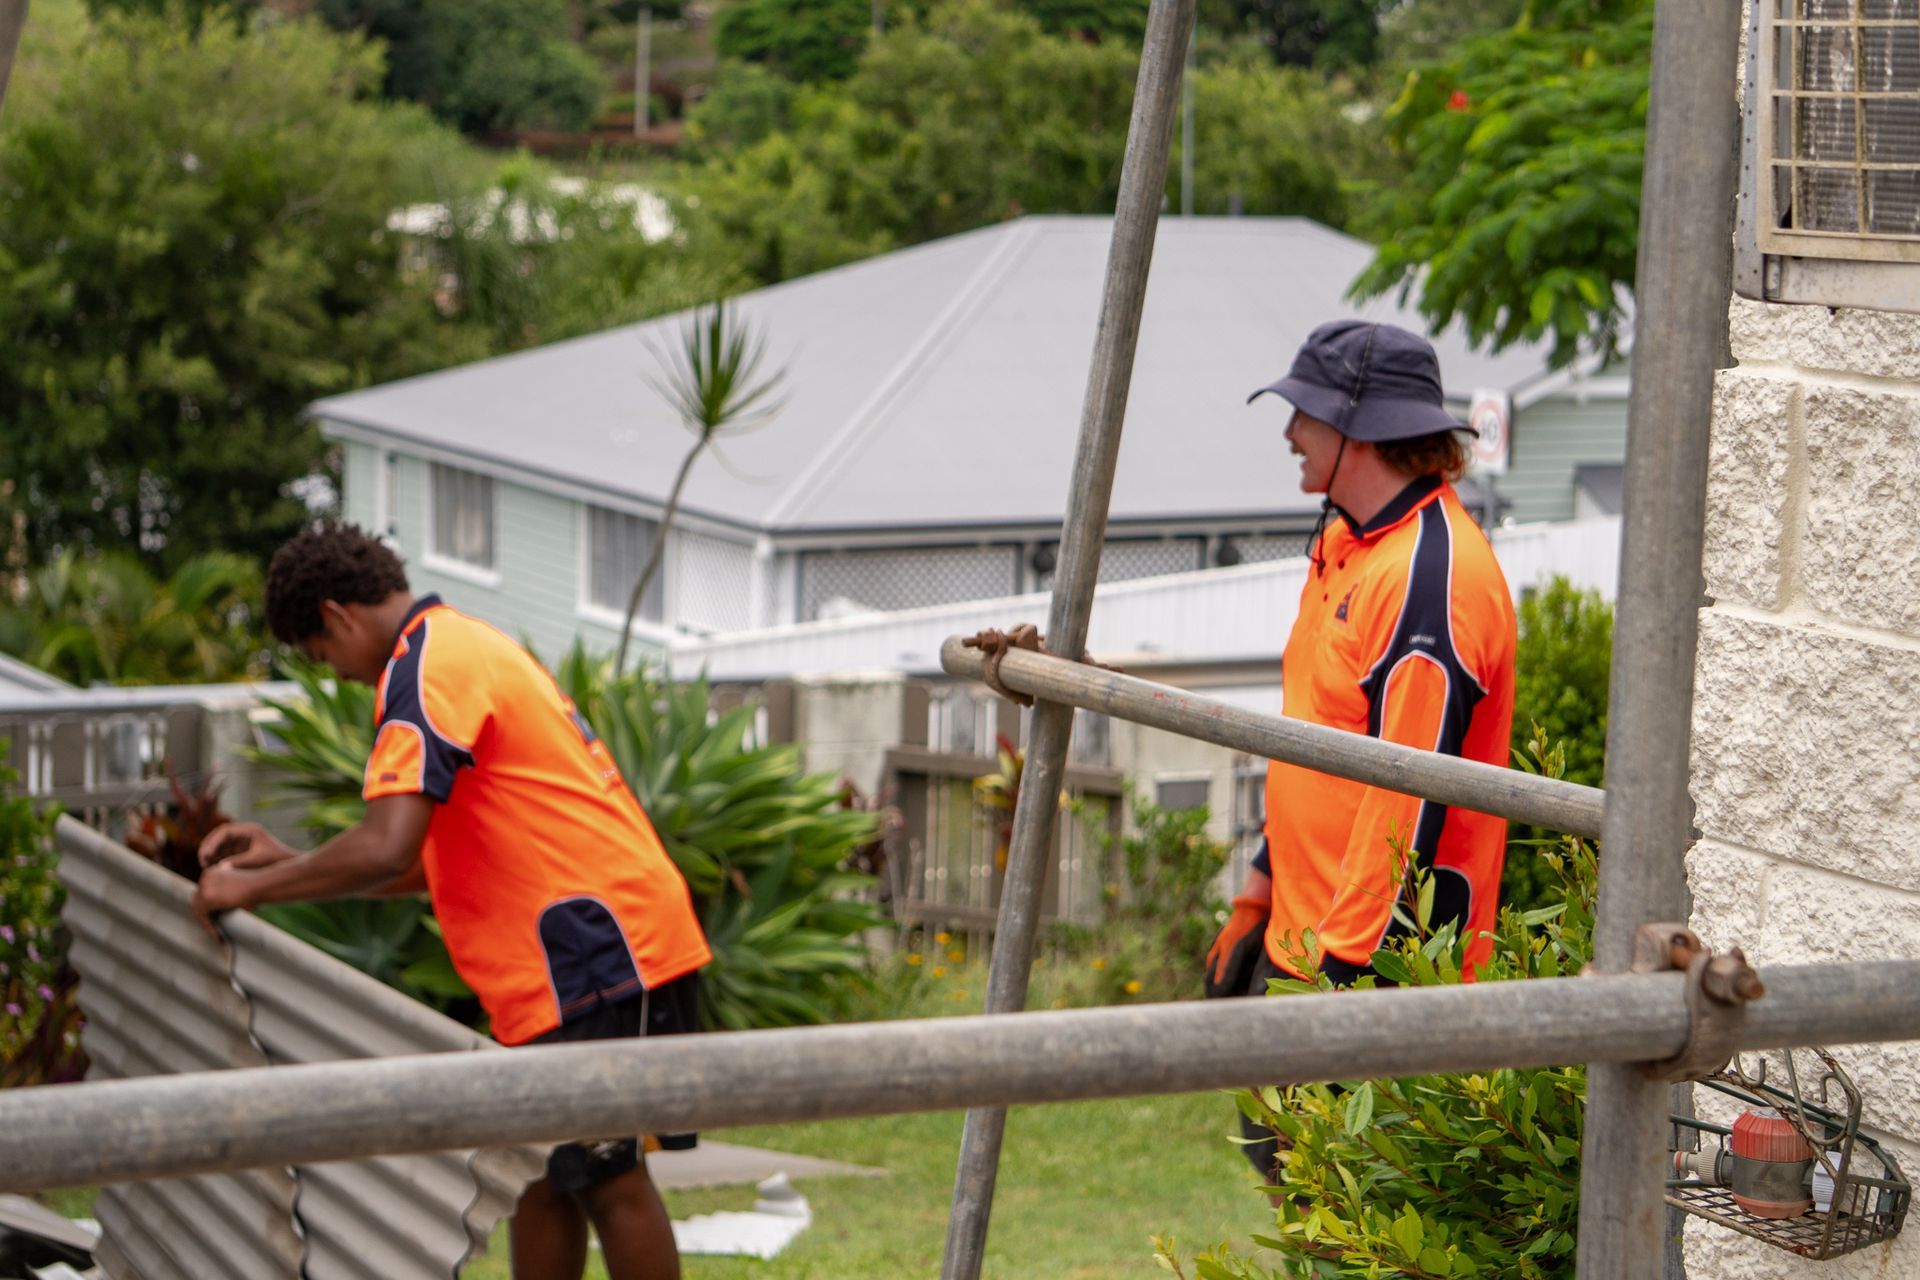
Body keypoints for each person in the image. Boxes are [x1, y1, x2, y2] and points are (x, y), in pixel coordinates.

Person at [191, 523, 712, 1280]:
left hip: (597, 947)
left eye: (320, 654)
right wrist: (291, 863)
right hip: (587, 945)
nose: (335, 674)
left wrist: (251, 887)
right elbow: (429, 860)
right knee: (535, 1178)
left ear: (337, 616)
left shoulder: (426, 665)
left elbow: (386, 847)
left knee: (608, 1175)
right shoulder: (457, 644)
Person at [1204, 320, 1517, 1180]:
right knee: (1295, 1205)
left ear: (1360, 427)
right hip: (1305, 943)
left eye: (1303, 412)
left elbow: (1403, 806)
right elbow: (1317, 742)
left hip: (1373, 976)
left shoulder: (1429, 581)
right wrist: (1259, 898)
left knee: (1356, 1238)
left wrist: (1334, 986)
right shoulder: (1348, 541)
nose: (1288, 432)